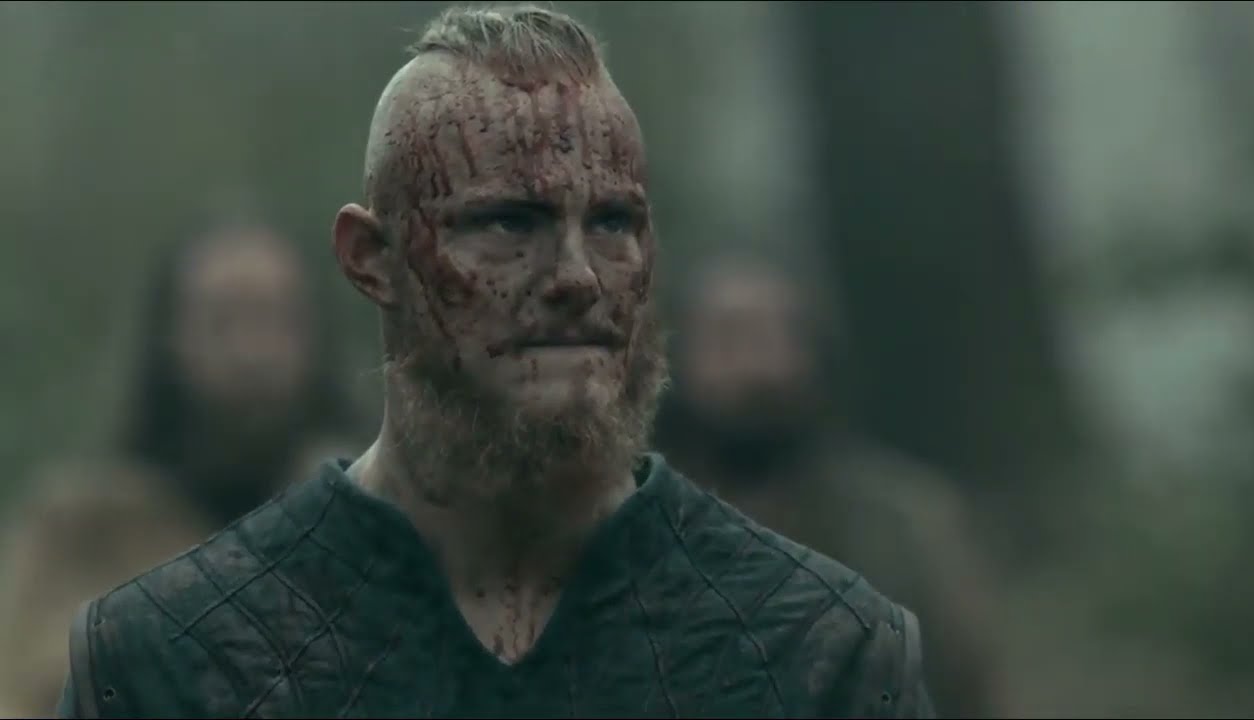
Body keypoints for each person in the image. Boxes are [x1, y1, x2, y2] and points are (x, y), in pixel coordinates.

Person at [54, 7, 934, 718]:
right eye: (510, 221)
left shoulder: (822, 652)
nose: (577, 277)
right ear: (372, 259)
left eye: (614, 222)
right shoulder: (171, 662)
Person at [0, 212, 362, 716]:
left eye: (276, 320)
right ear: (169, 336)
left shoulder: (367, 521)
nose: (252, 353)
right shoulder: (81, 528)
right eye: (222, 322)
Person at [656, 254, 1009, 718]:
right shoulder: (635, 536)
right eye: (726, 341)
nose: (754, 370)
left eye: (772, 339)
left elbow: (970, 688)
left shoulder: (905, 520)